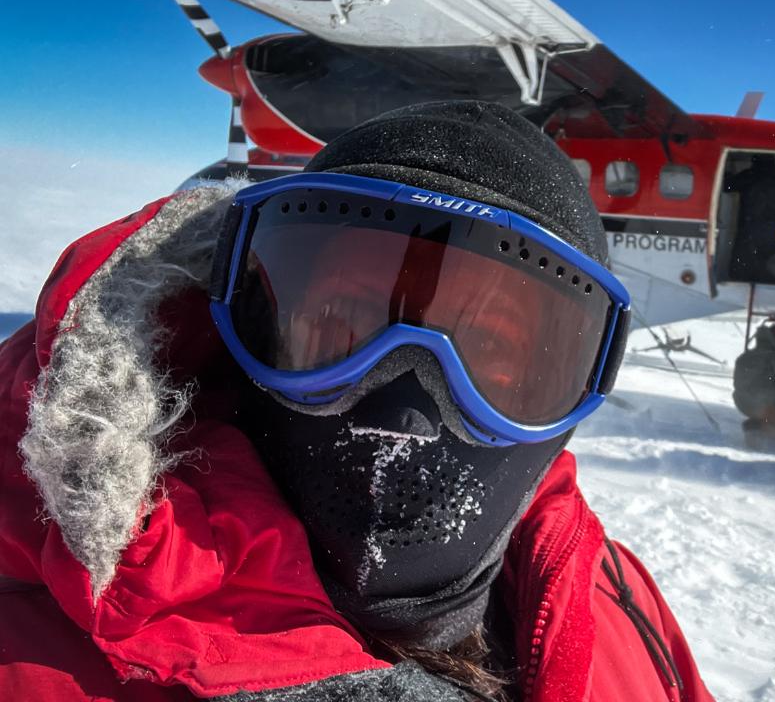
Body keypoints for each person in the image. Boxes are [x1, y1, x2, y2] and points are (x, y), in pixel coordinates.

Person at [0, 102, 714, 701]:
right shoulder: (29, 638)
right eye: (343, 321)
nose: (404, 410)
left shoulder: (614, 601)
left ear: (572, 385)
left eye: (494, 352)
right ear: (244, 320)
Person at [723, 154, 775, 282]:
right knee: (765, 263)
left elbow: (726, 186)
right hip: (774, 231)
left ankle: (742, 284)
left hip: (750, 227)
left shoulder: (751, 175)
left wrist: (726, 172)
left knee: (743, 264)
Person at [731, 322, 775, 446]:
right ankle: (756, 428)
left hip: (741, 402)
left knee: (771, 417)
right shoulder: (774, 357)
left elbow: (737, 382)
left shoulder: (744, 357)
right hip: (765, 404)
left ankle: (757, 425)